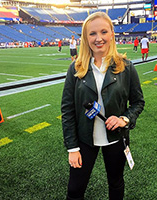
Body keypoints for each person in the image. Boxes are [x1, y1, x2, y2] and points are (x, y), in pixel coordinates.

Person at [61, 12, 145, 200]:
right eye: (92, 34)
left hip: (115, 139)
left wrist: (124, 119)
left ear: (112, 34)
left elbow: (138, 102)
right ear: (85, 38)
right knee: (74, 190)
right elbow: (67, 110)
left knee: (116, 184)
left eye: (103, 32)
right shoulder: (76, 68)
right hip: (84, 140)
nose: (98, 38)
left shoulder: (126, 67)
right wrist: (72, 148)